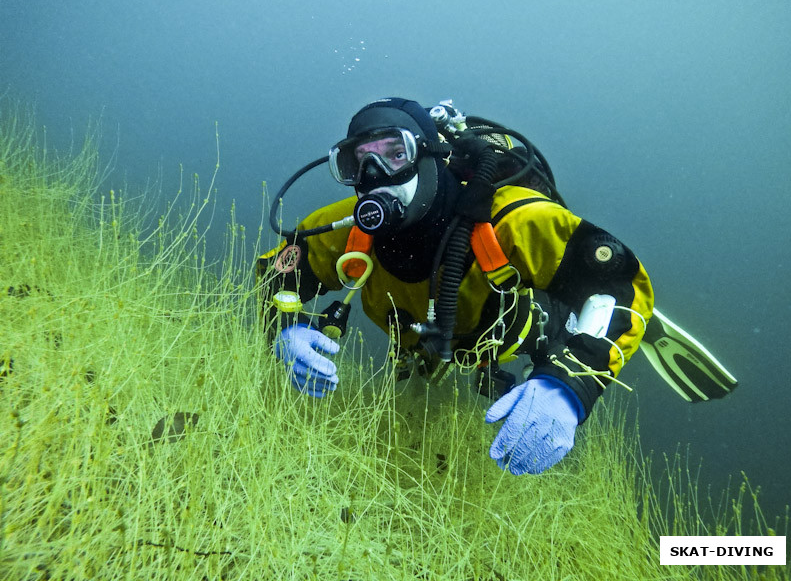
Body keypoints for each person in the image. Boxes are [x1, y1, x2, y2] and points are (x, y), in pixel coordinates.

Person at [258, 97, 655, 476]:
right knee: (418, 388)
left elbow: (619, 283)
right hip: (420, 338)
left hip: (508, 331)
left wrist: (570, 384)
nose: (375, 176)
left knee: (551, 326)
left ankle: (576, 330)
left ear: (431, 156)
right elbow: (272, 275)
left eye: (396, 154)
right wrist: (285, 329)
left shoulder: (514, 219)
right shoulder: (346, 228)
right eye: (359, 162)